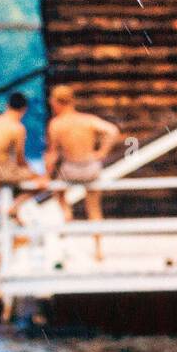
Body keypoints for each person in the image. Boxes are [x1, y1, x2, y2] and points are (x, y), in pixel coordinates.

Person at [45, 85, 120, 257]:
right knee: (94, 209)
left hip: (70, 169)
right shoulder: (87, 120)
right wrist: (101, 152)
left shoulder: (56, 124)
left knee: (57, 186)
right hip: (91, 167)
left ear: (58, 103)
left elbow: (53, 155)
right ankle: (98, 249)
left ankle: (66, 209)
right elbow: (112, 131)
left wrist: (47, 176)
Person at [0, 92, 48, 222]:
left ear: (7, 105)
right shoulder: (17, 128)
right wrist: (35, 173)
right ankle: (13, 207)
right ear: (24, 109)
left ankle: (10, 213)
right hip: (1, 173)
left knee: (18, 178)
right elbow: (20, 159)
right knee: (43, 183)